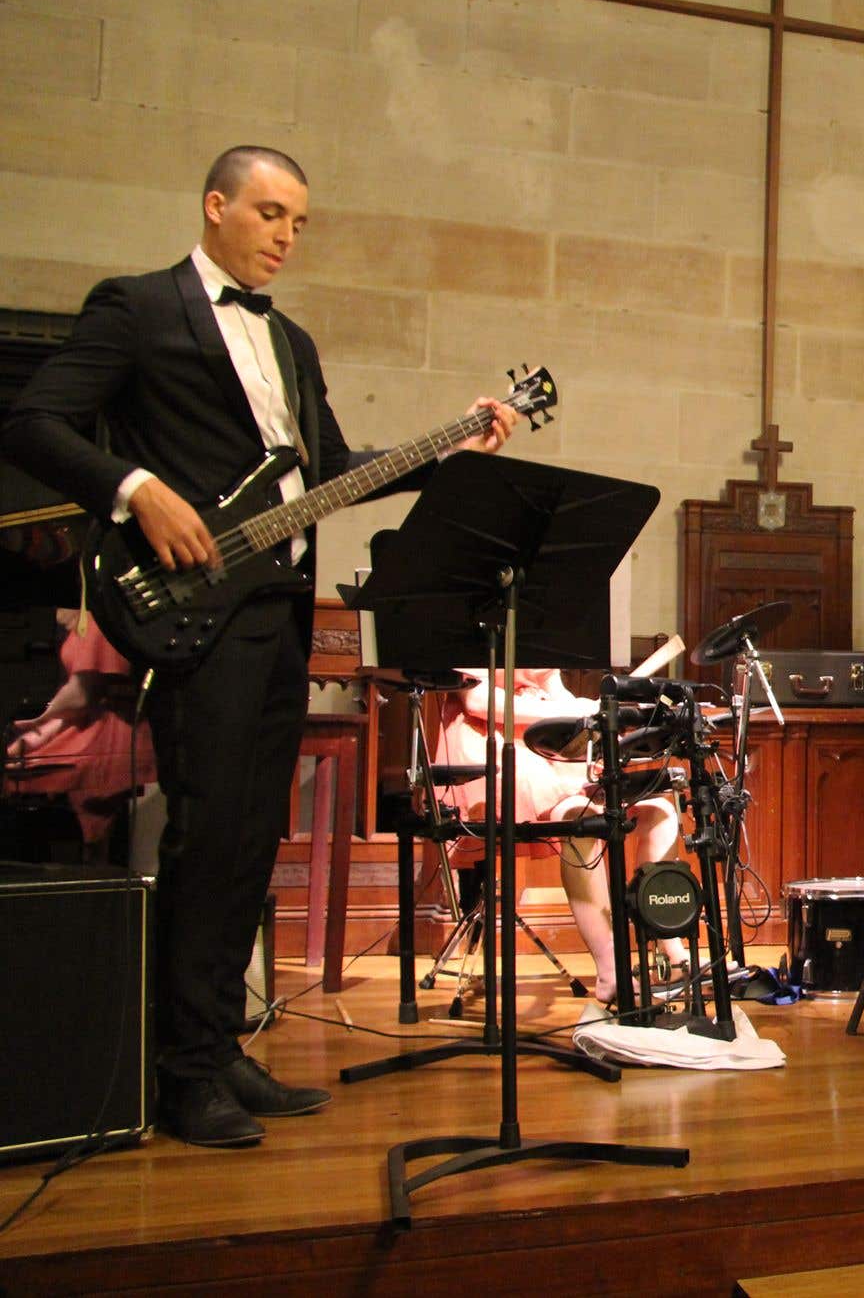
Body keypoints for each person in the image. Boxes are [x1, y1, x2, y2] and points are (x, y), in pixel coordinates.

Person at [1, 146, 518, 1148]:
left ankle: (216, 1043)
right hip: (193, 609)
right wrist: (137, 491)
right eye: (270, 213)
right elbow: (32, 422)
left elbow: (330, 473)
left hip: (276, 611)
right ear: (215, 206)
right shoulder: (139, 307)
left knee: (247, 842)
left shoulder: (293, 344)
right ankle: (180, 1072)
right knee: (207, 831)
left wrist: (447, 448)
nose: (285, 235)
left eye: (299, 221)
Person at [436, 668, 687, 1007]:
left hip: (545, 739)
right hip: (493, 740)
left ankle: (673, 954)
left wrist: (589, 706)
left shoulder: (543, 629)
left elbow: (555, 691)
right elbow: (478, 700)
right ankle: (610, 969)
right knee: (575, 818)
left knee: (662, 814)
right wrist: (567, 712)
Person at [5, 614, 155, 858]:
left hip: (111, 730)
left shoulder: (96, 622)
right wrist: (33, 737)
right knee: (19, 771)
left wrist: (41, 721)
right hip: (87, 723)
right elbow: (72, 709)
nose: (56, 615)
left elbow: (82, 696)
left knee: (32, 779)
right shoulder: (82, 625)